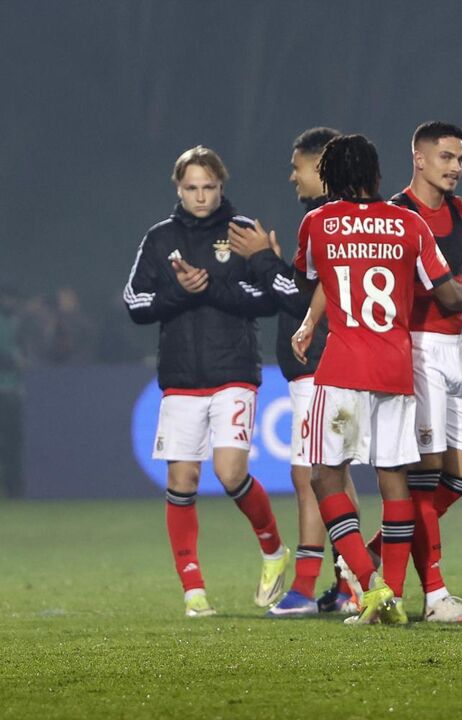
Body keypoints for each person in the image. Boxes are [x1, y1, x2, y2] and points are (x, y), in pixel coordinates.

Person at [290, 134, 462, 625]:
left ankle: (366, 581)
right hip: (396, 370)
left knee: (324, 475)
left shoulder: (316, 223)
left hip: (343, 370)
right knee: (394, 481)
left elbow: (315, 278)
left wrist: (311, 320)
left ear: (328, 179)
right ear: (377, 176)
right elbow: (449, 294)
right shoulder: (409, 223)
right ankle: (391, 594)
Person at [363, 121, 462, 623]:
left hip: (453, 351)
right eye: (446, 157)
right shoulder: (395, 215)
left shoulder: (459, 211)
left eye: (460, 159)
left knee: (460, 477)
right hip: (414, 349)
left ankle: (372, 551)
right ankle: (435, 596)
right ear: (419, 158)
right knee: (426, 475)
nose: (455, 167)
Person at [123, 145, 288, 618]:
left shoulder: (242, 234)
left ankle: (274, 551)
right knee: (182, 479)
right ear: (179, 188)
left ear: (222, 186)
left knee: (231, 473)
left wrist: (210, 287)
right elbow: (135, 303)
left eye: (209, 187)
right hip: (180, 378)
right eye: (192, 188)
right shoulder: (159, 240)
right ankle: (193, 589)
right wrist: (179, 291)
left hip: (233, 371)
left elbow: (268, 298)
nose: (200, 196)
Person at [228, 126, 367, 616]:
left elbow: (307, 298)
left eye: (298, 166)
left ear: (321, 167)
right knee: (328, 471)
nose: (292, 176)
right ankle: (348, 581)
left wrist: (263, 260)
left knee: (315, 473)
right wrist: (264, 267)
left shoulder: (326, 221)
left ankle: (313, 586)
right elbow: (294, 292)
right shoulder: (331, 219)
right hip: (323, 366)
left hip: (322, 366)